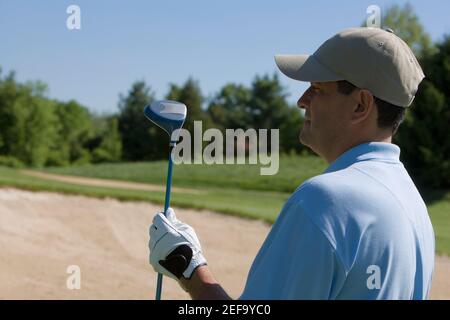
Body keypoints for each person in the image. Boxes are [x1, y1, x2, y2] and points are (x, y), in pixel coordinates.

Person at [148, 27, 435, 300]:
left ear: (361, 105)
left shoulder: (326, 200)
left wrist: (189, 268)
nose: (301, 100)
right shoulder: (414, 205)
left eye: (317, 88)